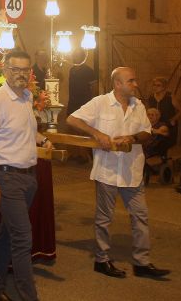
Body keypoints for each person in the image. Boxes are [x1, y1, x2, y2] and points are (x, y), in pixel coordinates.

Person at [67, 67, 170, 279]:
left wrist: (131, 138)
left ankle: (142, 263)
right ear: (118, 84)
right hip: (107, 170)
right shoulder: (100, 103)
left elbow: (146, 132)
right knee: (104, 218)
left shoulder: (138, 105)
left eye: (135, 80)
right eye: (131, 81)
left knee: (140, 215)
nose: (136, 84)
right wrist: (97, 133)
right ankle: (102, 260)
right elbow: (72, 120)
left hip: (132, 171)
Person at [0, 50, 53, 301]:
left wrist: (42, 139)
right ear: (5, 71)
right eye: (15, 70)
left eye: (25, 70)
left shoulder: (27, 96)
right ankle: (28, 297)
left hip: (29, 177)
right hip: (7, 177)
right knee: (22, 238)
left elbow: (25, 129)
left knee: (7, 235)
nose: (21, 74)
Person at [145, 76, 181, 148]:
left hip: (168, 123)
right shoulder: (151, 97)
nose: (155, 87)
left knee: (167, 146)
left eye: (158, 85)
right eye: (154, 85)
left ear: (164, 87)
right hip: (155, 125)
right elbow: (148, 111)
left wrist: (173, 119)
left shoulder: (170, 97)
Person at [66, 48, 97, 116]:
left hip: (84, 105)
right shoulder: (72, 70)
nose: (74, 57)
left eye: (77, 55)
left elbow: (94, 89)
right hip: (72, 105)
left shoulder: (89, 71)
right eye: (74, 55)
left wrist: (92, 104)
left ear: (82, 57)